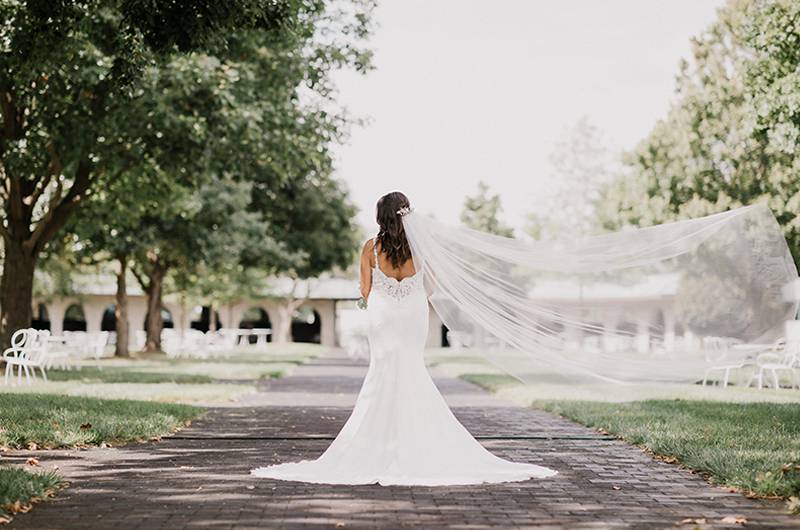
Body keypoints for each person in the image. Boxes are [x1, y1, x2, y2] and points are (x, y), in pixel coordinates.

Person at [251, 191, 558, 485]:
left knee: (382, 370)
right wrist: (409, 293)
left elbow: (365, 289)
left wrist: (380, 296)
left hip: (383, 314)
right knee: (412, 368)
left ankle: (378, 440)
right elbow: (432, 288)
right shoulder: (421, 249)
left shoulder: (370, 247)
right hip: (413, 313)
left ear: (380, 218)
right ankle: (417, 439)